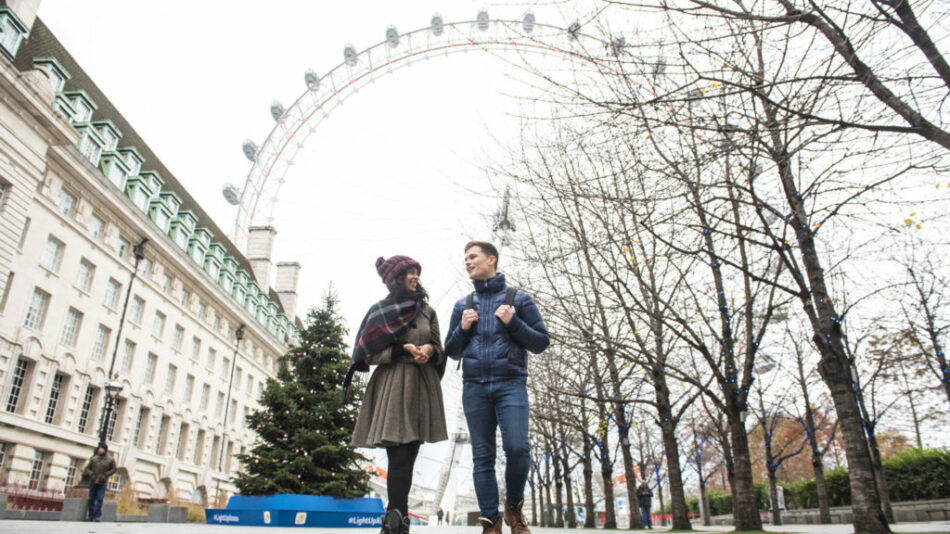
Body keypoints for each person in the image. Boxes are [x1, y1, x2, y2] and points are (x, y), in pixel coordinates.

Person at [444, 241, 550, 534]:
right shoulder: (462, 305)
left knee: (518, 449)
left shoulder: (520, 300)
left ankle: (513, 507)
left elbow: (541, 342)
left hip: (510, 384)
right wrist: (462, 329)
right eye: (465, 258)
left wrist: (513, 322)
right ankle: (491, 521)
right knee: (483, 455)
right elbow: (451, 351)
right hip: (474, 387)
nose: (467, 262)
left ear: (492, 259)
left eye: (473, 257)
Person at [347, 255, 448, 534]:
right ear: (396, 278)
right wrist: (401, 350)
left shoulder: (428, 311)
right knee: (398, 455)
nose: (416, 276)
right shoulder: (379, 311)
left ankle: (396, 520)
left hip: (420, 385)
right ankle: (396, 518)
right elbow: (365, 354)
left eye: (417, 272)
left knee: (410, 452)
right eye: (410, 272)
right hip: (392, 385)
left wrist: (430, 351)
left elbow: (440, 349)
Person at [82, 442, 116, 522]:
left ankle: (97, 516)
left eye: (101, 448)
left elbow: (114, 469)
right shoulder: (94, 459)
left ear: (104, 450)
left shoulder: (110, 459)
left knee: (100, 498)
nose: (99, 450)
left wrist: (106, 475)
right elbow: (87, 468)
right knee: (91, 499)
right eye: (99, 448)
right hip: (93, 481)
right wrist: (91, 474)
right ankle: (91, 515)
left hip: (102, 482)